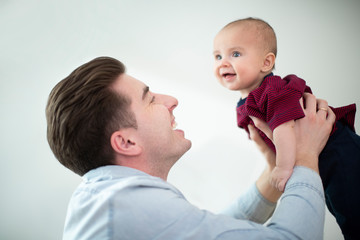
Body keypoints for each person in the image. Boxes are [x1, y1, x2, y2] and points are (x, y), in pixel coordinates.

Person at [46, 56, 335, 240]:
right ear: (126, 142)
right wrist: (306, 157)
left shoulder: (109, 200)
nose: (171, 99)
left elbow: (214, 230)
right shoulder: (129, 206)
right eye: (150, 99)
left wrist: (274, 172)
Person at [213, 17, 360, 239]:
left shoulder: (273, 91)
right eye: (217, 56)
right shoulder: (247, 100)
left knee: (352, 211)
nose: (223, 62)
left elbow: (283, 128)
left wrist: (281, 168)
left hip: (339, 151)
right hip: (321, 160)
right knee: (338, 206)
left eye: (235, 54)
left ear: (266, 63)